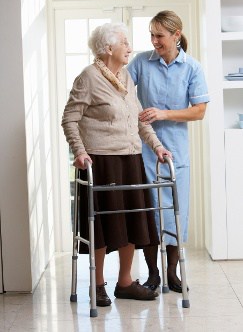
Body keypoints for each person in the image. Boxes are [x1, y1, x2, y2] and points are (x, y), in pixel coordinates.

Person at [61, 22, 172, 307]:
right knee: (102, 225)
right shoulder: (88, 77)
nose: (130, 48)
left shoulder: (125, 76)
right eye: (125, 42)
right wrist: (79, 151)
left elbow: (138, 119)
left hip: (131, 158)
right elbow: (70, 118)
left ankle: (125, 282)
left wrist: (158, 146)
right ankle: (97, 285)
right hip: (102, 161)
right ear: (108, 48)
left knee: (133, 222)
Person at [127, 10, 209, 293]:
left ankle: (171, 273)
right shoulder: (141, 62)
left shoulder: (192, 68)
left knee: (175, 213)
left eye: (159, 35)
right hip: (144, 150)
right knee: (150, 214)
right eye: (151, 34)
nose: (154, 41)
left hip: (176, 153)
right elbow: (120, 90)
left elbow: (199, 111)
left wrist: (163, 114)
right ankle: (153, 274)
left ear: (176, 35)